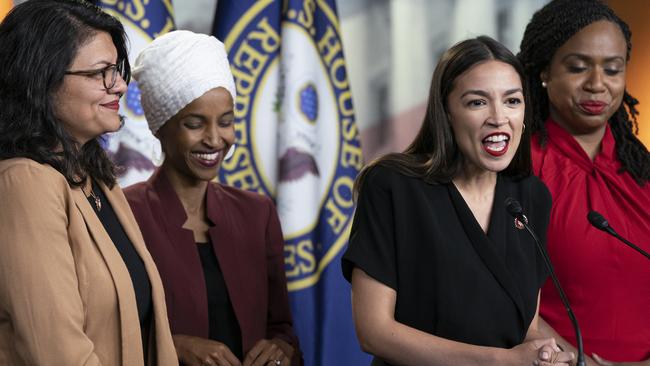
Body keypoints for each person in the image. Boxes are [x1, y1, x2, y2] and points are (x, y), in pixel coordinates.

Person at [341, 36, 575, 366]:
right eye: (477, 103)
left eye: (512, 101)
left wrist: (544, 354)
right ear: (447, 112)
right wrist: (500, 362)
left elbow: (526, 327)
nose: (498, 117)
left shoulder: (531, 196)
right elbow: (374, 331)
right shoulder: (392, 186)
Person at [0, 0, 177, 365]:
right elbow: (59, 354)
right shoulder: (23, 182)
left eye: (118, 70)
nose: (121, 86)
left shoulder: (94, 176)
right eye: (102, 73)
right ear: (42, 79)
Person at [124, 30, 301, 366]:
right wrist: (173, 346)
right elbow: (105, 331)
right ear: (160, 127)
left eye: (226, 122)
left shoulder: (257, 212)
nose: (215, 139)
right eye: (195, 124)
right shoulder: (125, 215)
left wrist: (281, 349)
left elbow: (282, 328)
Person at [518, 0, 650, 364]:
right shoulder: (516, 172)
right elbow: (501, 297)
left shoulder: (643, 169)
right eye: (578, 68)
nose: (597, 84)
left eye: (612, 69)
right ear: (544, 72)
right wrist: (579, 362)